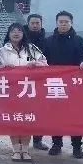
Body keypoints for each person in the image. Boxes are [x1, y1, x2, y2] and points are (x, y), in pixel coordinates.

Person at [43, 10, 83, 159]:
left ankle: (77, 146)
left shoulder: (79, 40)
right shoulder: (49, 41)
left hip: (74, 86)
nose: (63, 24)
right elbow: (43, 60)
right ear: (57, 23)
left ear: (71, 23)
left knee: (75, 116)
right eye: (61, 22)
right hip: (54, 85)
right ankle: (57, 144)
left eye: (66, 22)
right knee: (55, 115)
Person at [0, 23, 47, 162]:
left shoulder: (32, 48)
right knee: (14, 120)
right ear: (8, 34)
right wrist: (4, 67)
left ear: (23, 34)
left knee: (26, 119)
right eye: (13, 31)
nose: (16, 33)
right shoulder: (2, 50)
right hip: (11, 90)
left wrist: (35, 64)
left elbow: (45, 63)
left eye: (19, 31)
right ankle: (16, 150)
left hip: (28, 90)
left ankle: (25, 150)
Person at [23, 13, 49, 151]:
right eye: (32, 23)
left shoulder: (47, 40)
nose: (35, 25)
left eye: (37, 23)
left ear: (41, 24)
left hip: (41, 80)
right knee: (23, 110)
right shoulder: (20, 37)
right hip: (23, 81)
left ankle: (38, 140)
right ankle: (22, 141)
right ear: (28, 24)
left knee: (40, 111)